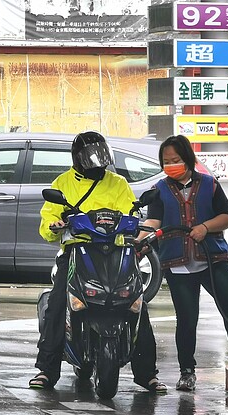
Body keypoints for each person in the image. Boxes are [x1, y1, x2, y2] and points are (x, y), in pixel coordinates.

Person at [29, 131, 167, 393]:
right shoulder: (63, 183)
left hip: (115, 251)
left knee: (137, 305)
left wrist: (135, 230)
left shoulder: (117, 183)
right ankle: (46, 370)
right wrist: (55, 225)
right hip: (77, 252)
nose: (97, 165)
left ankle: (147, 373)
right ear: (77, 159)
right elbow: (48, 221)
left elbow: (130, 212)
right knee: (59, 304)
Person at [141, 134, 228, 392]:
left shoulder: (209, 184)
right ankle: (187, 371)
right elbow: (154, 221)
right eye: (166, 161)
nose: (171, 164)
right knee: (186, 318)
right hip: (177, 262)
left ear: (188, 159)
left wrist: (205, 227)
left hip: (212, 258)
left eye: (176, 159)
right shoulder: (159, 190)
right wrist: (139, 240)